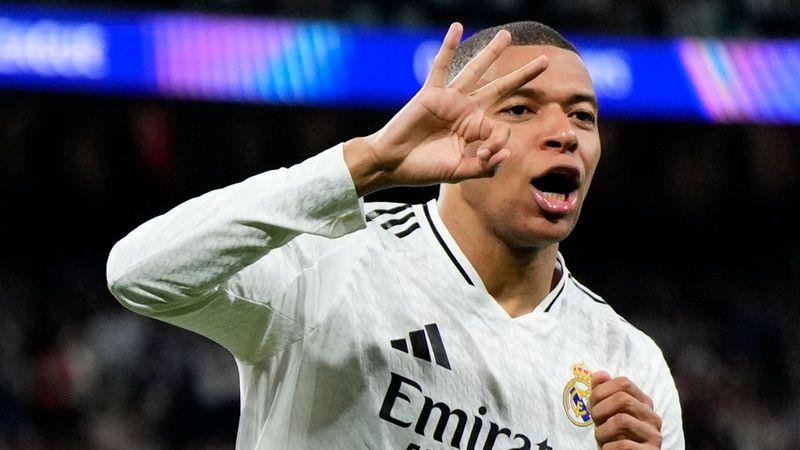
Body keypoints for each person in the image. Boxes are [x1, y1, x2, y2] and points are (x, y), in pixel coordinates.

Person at [107, 20, 684, 450]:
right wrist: (367, 164)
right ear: (457, 127)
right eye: (520, 109)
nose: (563, 132)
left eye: (583, 116)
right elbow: (138, 275)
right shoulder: (330, 265)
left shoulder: (630, 363)